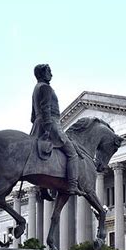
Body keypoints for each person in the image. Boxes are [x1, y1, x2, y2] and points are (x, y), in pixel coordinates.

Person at [30, 63, 80, 194]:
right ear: (43, 74)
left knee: (44, 157)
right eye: (49, 71)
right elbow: (46, 109)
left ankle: (43, 189)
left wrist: (39, 128)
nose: (51, 74)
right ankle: (73, 185)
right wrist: (47, 129)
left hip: (37, 125)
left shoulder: (36, 88)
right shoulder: (46, 88)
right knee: (72, 154)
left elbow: (32, 116)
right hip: (51, 124)